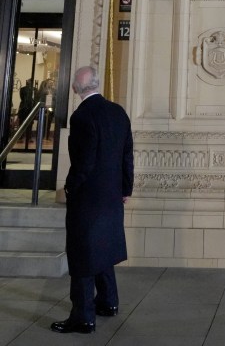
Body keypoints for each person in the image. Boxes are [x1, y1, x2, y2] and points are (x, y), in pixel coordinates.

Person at [51, 65, 133, 335]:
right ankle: (108, 302)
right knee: (103, 249)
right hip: (112, 197)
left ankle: (83, 317)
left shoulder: (82, 116)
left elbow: (83, 162)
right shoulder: (118, 112)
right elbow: (127, 156)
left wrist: (70, 188)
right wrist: (126, 190)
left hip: (89, 200)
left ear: (77, 87)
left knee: (83, 255)